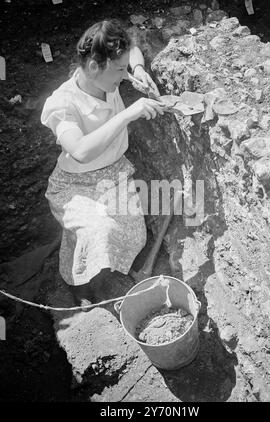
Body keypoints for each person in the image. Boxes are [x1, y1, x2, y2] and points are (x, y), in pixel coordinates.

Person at [41, 19, 164, 308]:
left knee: (134, 234)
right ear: (95, 66)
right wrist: (128, 114)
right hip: (75, 183)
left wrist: (137, 69)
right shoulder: (62, 104)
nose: (123, 78)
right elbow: (80, 151)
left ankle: (102, 271)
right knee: (99, 231)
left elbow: (132, 50)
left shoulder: (106, 76)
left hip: (114, 173)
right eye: (118, 70)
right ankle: (82, 285)